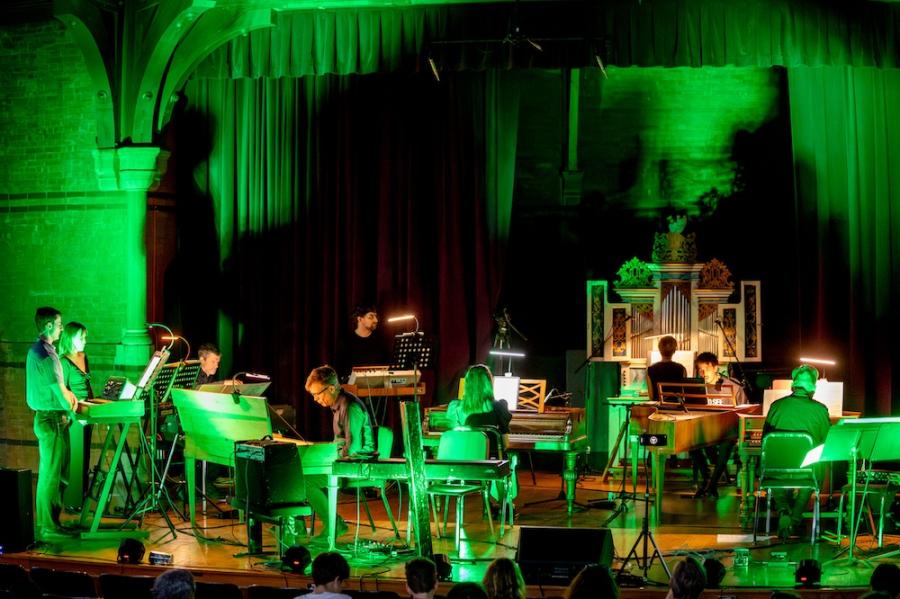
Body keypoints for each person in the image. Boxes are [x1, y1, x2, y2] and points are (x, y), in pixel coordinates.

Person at [305, 365, 376, 540]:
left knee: (307, 481)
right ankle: (299, 525)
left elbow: (353, 449)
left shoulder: (349, 407)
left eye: (317, 394)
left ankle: (335, 524)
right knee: (299, 472)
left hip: (357, 465)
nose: (315, 399)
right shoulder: (338, 404)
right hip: (345, 461)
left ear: (331, 388)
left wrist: (326, 458)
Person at [26, 307, 79, 540]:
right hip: (52, 418)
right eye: (59, 324)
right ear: (48, 325)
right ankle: (49, 527)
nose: (61, 328)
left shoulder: (37, 350)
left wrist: (67, 397)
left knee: (53, 474)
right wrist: (72, 402)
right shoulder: (46, 355)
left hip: (48, 417)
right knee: (52, 475)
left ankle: (50, 524)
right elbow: (59, 392)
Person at [763, 364, 831, 539]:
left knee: (773, 464)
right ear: (813, 388)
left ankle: (783, 509)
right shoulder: (820, 409)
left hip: (777, 469)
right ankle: (795, 517)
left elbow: (765, 441)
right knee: (818, 463)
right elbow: (826, 442)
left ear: (794, 385)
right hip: (806, 470)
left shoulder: (776, 406)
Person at [691, 351, 747, 499]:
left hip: (727, 430)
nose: (703, 373)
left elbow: (744, 410)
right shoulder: (697, 387)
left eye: (706, 369)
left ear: (715, 368)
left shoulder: (732, 385)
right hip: (707, 429)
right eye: (700, 370)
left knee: (726, 443)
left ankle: (712, 484)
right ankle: (707, 479)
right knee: (691, 443)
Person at [58, 321, 93, 508]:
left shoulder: (84, 356)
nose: (85, 341)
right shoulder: (63, 361)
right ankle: (72, 500)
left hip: (89, 410)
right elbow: (62, 390)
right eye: (81, 337)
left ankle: (83, 497)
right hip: (74, 413)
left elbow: (87, 385)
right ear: (71, 338)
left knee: (86, 455)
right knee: (75, 457)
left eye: (85, 337)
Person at [335, 304, 390, 382]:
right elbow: (340, 372)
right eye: (371, 317)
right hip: (352, 390)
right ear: (360, 319)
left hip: (378, 389)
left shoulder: (381, 341)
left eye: (375, 316)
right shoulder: (346, 342)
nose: (376, 320)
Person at [646, 335, 687, 402]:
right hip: (677, 408)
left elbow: (651, 397)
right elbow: (684, 394)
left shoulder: (650, 370)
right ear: (674, 350)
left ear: (659, 350)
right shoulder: (682, 369)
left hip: (659, 408)